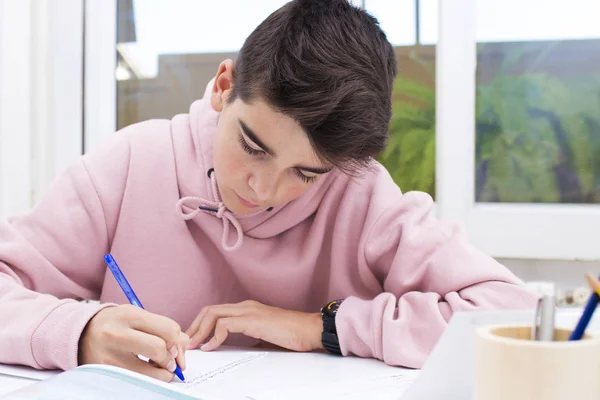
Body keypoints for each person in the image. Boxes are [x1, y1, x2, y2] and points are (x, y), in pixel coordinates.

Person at [0, 0, 536, 382]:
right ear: (224, 85)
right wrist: (81, 330)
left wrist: (320, 328)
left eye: (306, 173)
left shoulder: (361, 194)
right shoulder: (126, 165)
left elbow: (510, 314)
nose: (264, 188)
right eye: (252, 146)